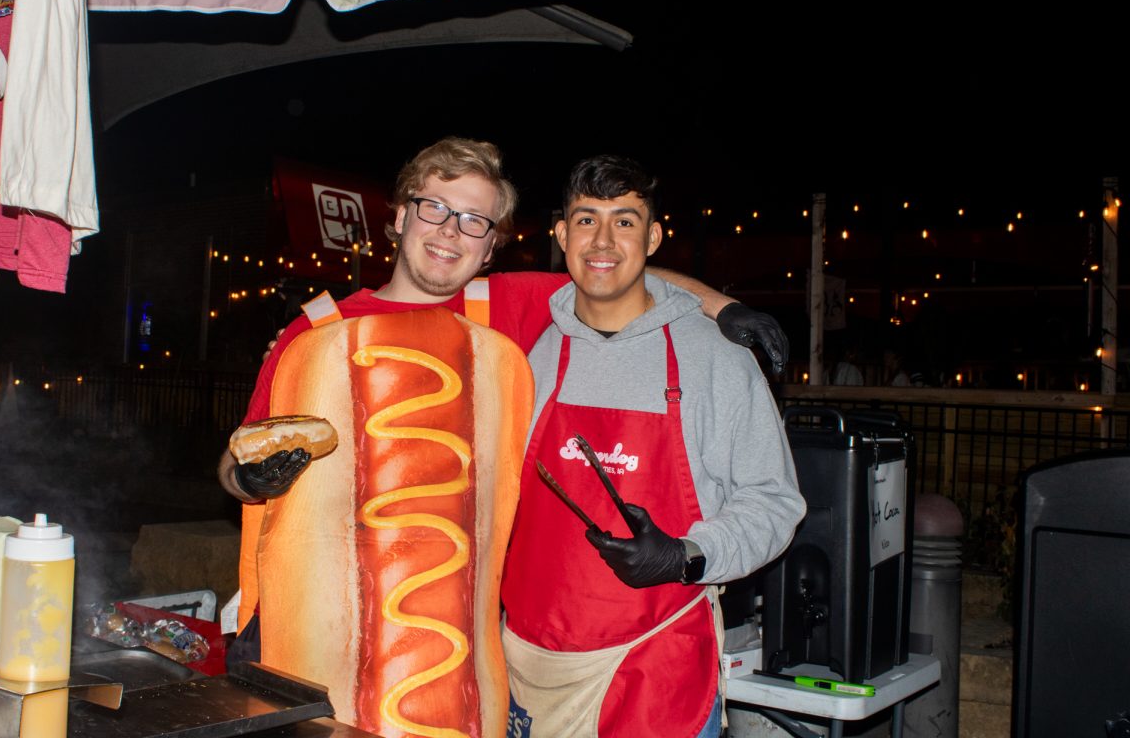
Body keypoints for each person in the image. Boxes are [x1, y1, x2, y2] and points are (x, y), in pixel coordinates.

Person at [218, 138, 789, 737]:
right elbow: (236, 467)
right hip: (329, 640)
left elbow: (615, 268)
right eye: (434, 207)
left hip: (462, 661)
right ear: (398, 217)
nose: (449, 233)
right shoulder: (312, 334)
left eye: (474, 221)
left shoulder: (503, 312)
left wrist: (721, 309)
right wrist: (246, 478)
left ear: (492, 246)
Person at [500, 156, 806, 738]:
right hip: (532, 668)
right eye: (586, 220)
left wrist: (686, 556)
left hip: (655, 672)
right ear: (562, 235)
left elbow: (774, 502)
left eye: (625, 221)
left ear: (655, 237)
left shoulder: (715, 359)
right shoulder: (528, 351)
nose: (603, 240)